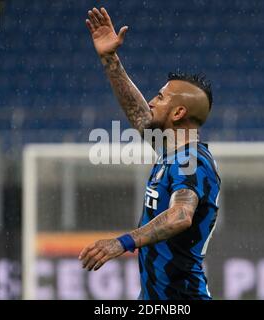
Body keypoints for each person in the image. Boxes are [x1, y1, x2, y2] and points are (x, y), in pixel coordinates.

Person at [79, 7, 221, 300]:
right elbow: (139, 114)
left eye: (160, 97)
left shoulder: (192, 161)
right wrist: (110, 59)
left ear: (179, 112)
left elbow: (180, 215)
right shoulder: (171, 152)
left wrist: (123, 242)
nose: (152, 102)